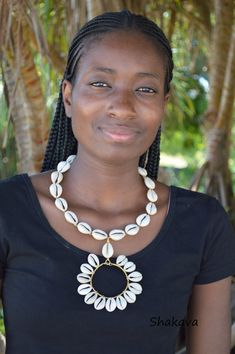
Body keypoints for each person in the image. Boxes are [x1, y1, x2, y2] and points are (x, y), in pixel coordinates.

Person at [0, 9, 235, 354]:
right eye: (100, 83)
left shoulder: (203, 224)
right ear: (68, 96)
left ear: (163, 105)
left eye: (145, 89)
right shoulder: (8, 210)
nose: (122, 107)